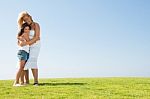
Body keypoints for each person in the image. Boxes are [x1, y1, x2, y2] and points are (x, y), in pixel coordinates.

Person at [17, 11, 41, 86]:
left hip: (35, 45)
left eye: (27, 18)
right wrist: (21, 43)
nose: (27, 20)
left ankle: (36, 81)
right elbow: (19, 37)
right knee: (24, 63)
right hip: (26, 46)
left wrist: (26, 43)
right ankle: (25, 81)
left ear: (30, 17)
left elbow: (36, 37)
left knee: (32, 60)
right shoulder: (25, 26)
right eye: (24, 20)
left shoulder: (36, 25)